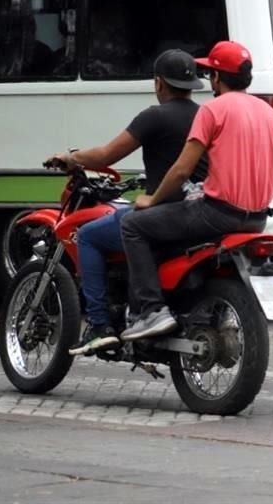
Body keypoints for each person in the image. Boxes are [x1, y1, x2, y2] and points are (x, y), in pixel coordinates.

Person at [119, 40, 273, 341]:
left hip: (216, 214)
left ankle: (150, 311)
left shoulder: (212, 111)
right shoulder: (270, 115)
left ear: (216, 77)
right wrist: (254, 199)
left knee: (132, 225)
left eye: (210, 73)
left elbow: (182, 170)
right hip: (257, 220)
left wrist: (153, 199)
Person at [53, 49, 208, 355]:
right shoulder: (206, 115)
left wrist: (70, 158)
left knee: (88, 236)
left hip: (164, 213)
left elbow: (107, 155)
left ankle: (99, 326)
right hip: (199, 212)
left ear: (158, 82)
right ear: (192, 86)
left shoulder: (154, 116)